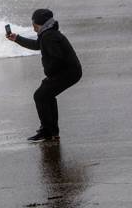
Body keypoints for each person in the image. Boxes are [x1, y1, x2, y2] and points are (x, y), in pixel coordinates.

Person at [6, 9, 82, 142]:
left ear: (37, 23)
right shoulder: (47, 33)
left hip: (68, 72)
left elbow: (57, 58)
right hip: (70, 71)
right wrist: (17, 38)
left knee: (40, 95)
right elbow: (37, 45)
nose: (32, 25)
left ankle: (48, 131)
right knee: (46, 95)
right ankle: (52, 131)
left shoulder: (49, 37)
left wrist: (50, 77)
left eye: (33, 22)